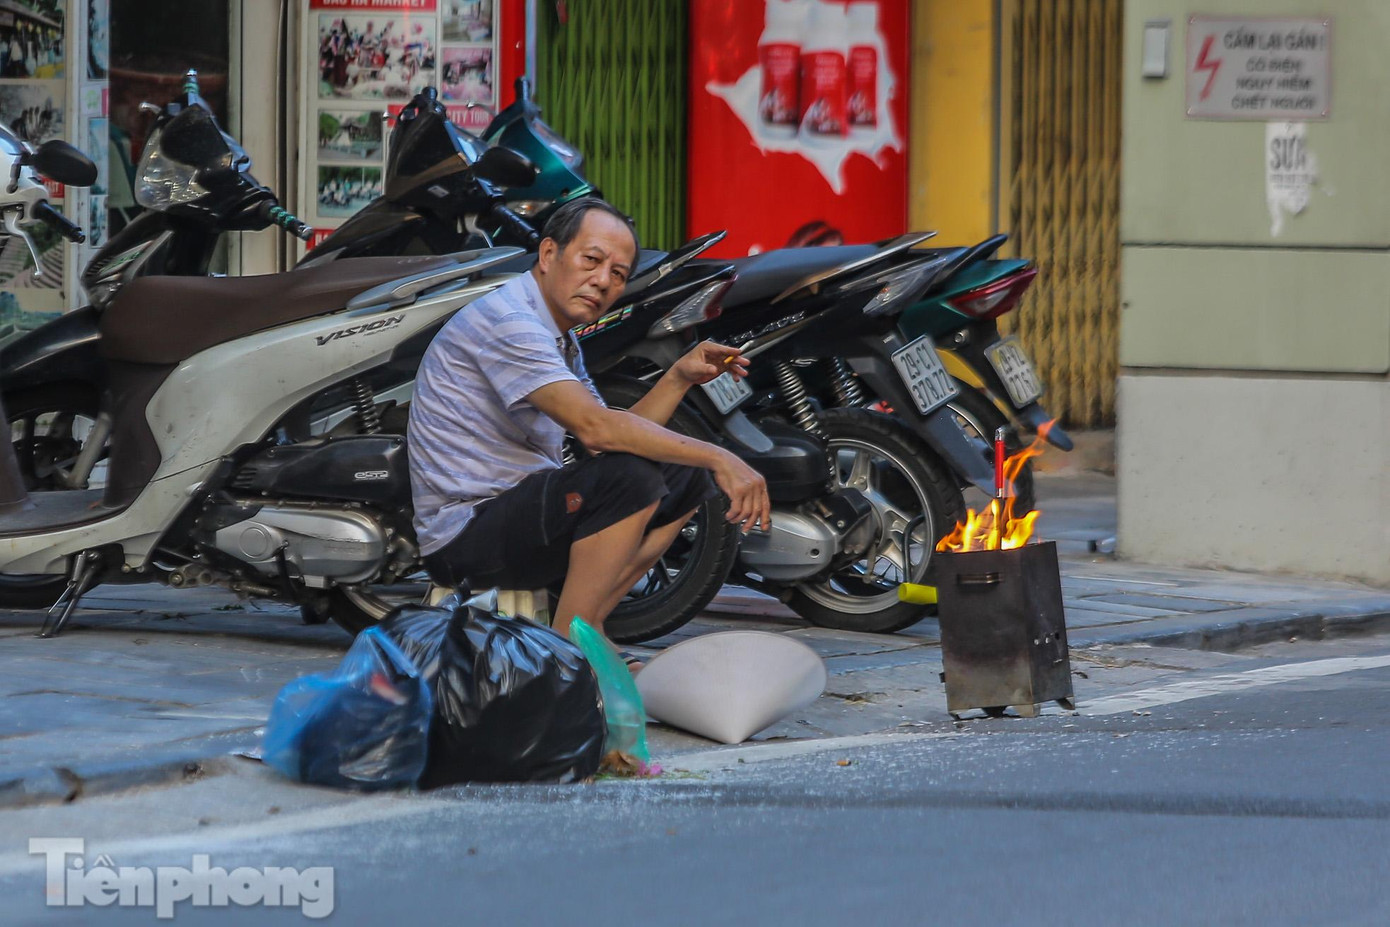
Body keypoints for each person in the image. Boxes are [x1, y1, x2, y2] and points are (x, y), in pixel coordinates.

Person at [408, 197, 771, 655]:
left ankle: (590, 623)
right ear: (547, 255)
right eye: (592, 260)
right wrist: (723, 456)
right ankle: (571, 644)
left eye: (618, 274)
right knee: (632, 479)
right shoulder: (511, 322)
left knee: (685, 476)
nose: (602, 281)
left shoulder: (561, 342)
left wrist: (678, 376)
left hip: (517, 517)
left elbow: (612, 436)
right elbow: (598, 430)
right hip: (464, 534)